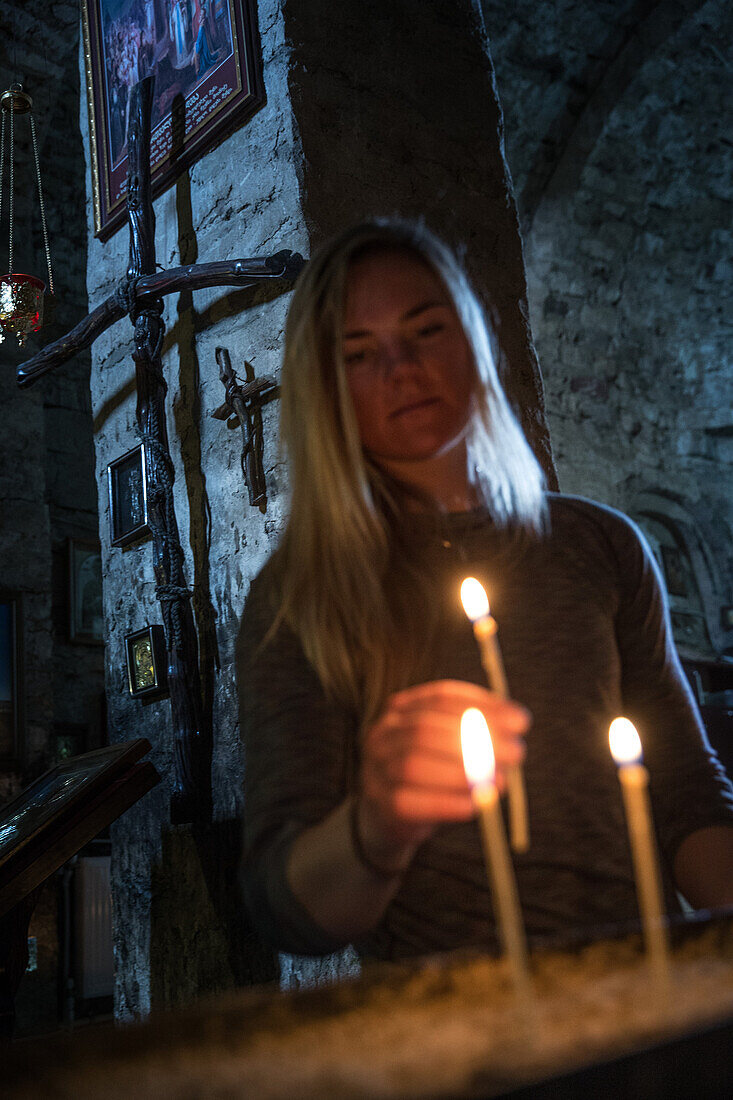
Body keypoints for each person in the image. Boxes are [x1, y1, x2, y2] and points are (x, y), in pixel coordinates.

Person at [237, 219, 733, 961]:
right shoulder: (299, 598)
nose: (401, 368)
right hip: (456, 1028)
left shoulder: (598, 546)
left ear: (474, 336)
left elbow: (684, 787)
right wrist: (379, 821)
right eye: (358, 354)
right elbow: (284, 911)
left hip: (644, 993)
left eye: (425, 330)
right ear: (325, 388)